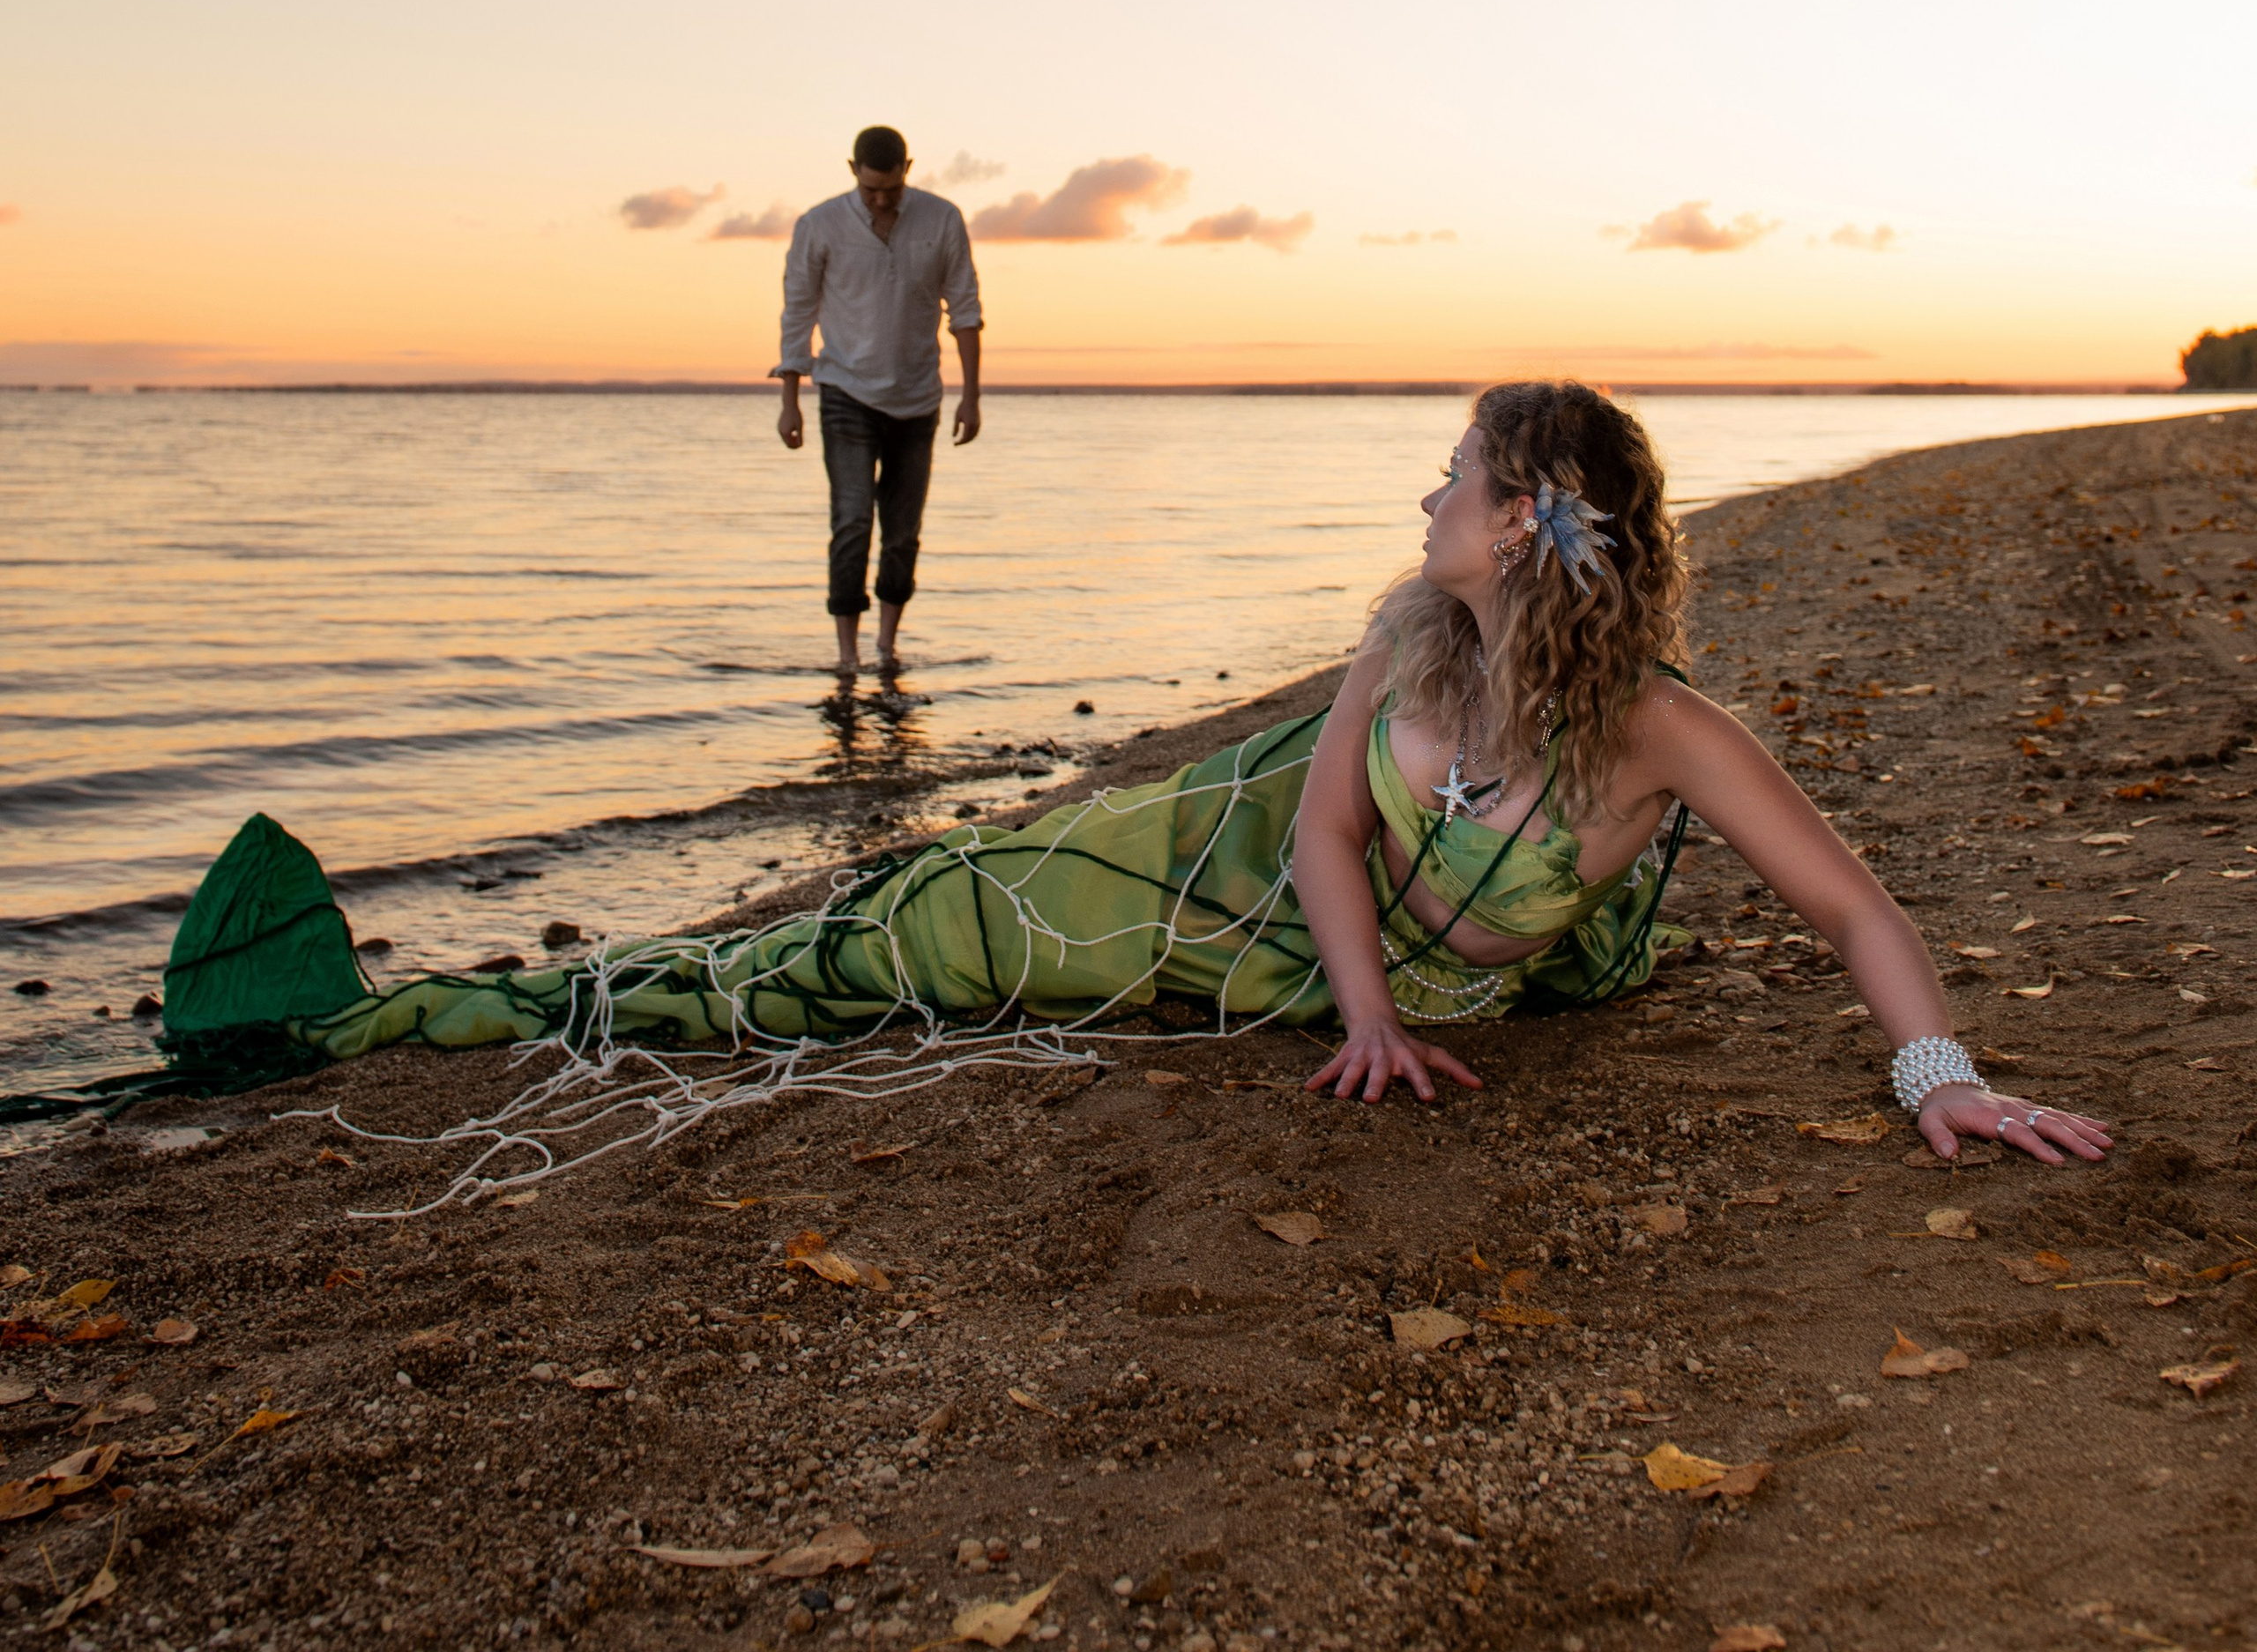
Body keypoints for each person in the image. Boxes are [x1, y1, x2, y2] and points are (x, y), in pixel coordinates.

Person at [165, 383, 2112, 1180]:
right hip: (1229, 861)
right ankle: (424, 1012)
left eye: (1448, 477)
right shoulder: (1398, 641)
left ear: (1521, 520)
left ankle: (446, 1006)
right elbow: (1326, 827)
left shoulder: (1669, 738)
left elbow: (1850, 906)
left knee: (927, 954)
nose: (1417, 496)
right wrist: (1359, 1013)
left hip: (1282, 950)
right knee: (916, 923)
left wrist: (1940, 1074)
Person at [772, 126, 983, 679]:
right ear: (852, 171)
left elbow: (964, 308)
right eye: (871, 190)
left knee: (902, 530)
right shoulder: (818, 226)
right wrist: (790, 399)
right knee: (850, 522)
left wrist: (972, 397)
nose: (883, 199)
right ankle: (847, 655)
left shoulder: (942, 219)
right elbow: (797, 313)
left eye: (891, 188)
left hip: (919, 398)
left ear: (907, 169)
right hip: (844, 392)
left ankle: (888, 646)